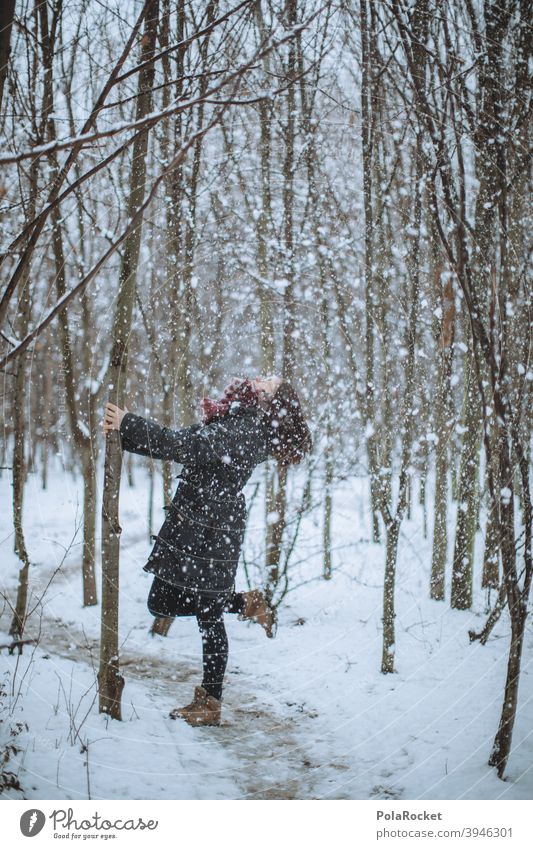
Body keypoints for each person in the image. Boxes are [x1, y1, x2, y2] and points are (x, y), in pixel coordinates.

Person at [103, 375, 312, 727]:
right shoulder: (237, 421)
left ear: (266, 400)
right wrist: (124, 434)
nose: (259, 378)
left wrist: (128, 423)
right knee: (162, 602)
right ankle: (245, 604)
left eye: (269, 382)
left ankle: (210, 703)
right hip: (199, 523)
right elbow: (184, 443)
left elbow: (180, 446)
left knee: (208, 617)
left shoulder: (245, 430)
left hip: (213, 529)